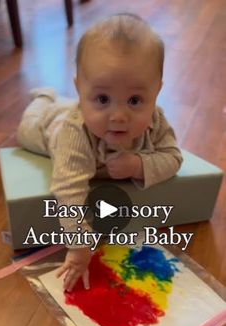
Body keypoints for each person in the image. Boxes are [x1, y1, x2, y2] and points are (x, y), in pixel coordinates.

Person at [17, 13, 183, 292]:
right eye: (103, 98)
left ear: (156, 92)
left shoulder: (155, 121)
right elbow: (68, 191)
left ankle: (70, 101)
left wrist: (138, 165)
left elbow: (174, 157)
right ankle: (44, 97)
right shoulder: (75, 132)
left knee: (82, 108)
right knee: (30, 124)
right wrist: (80, 246)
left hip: (82, 109)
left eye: (134, 100)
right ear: (80, 88)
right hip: (48, 131)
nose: (118, 116)